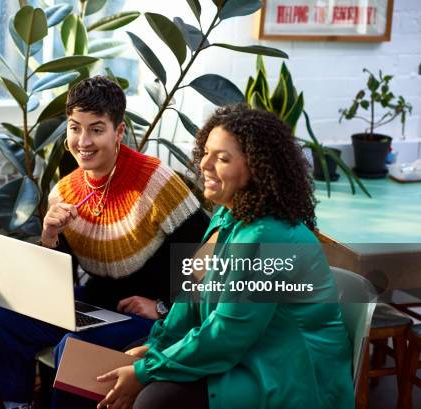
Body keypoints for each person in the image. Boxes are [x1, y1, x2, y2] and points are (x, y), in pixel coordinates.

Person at [96, 105, 355, 409]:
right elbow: (190, 298)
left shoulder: (268, 237)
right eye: (206, 152)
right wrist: (157, 347)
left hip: (289, 372)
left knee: (155, 399)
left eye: (222, 158)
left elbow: (227, 334)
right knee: (125, 358)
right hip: (247, 350)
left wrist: (149, 369)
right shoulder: (225, 216)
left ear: (257, 168)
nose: (204, 164)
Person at [0, 76, 209, 408]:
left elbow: (209, 255)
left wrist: (163, 307)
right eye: (75, 128)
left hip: (151, 315)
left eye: (96, 129)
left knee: (77, 349)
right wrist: (50, 237)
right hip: (96, 304)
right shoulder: (64, 190)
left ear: (118, 132)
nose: (83, 141)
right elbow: (61, 279)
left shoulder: (156, 181)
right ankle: (15, 405)